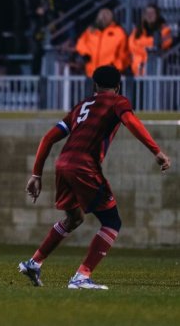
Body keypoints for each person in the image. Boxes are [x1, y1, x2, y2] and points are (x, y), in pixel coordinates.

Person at [18, 65, 170, 290]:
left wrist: (36, 174)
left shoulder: (81, 106)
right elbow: (131, 122)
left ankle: (34, 262)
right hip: (84, 165)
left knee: (74, 219)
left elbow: (48, 138)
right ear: (118, 86)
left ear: (95, 85)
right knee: (112, 222)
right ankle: (81, 277)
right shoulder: (118, 101)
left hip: (64, 163)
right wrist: (156, 151)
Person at [75, 8, 129, 77]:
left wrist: (116, 66)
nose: (103, 16)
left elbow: (125, 55)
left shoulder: (119, 32)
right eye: (101, 13)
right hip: (91, 74)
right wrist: (85, 55)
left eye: (107, 14)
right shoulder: (90, 31)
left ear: (112, 17)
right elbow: (80, 44)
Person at [128, 4, 172, 76]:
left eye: (152, 13)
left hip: (156, 72)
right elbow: (132, 46)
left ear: (157, 15)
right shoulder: (137, 30)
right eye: (147, 13)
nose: (149, 15)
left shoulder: (165, 29)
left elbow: (163, 44)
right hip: (137, 71)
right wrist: (149, 48)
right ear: (144, 15)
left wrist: (140, 45)